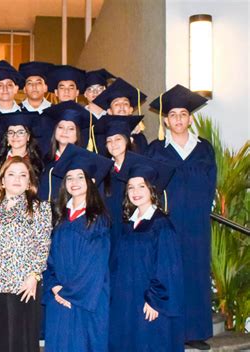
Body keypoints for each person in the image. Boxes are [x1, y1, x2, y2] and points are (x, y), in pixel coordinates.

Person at [147, 84, 215, 350]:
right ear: (165, 119)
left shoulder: (204, 149)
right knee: (168, 273)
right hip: (167, 223)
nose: (177, 119)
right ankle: (168, 329)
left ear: (190, 118)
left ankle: (195, 331)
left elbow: (210, 183)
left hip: (197, 223)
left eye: (182, 114)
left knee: (196, 273)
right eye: (172, 114)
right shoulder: (155, 150)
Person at [0, 156, 52, 352]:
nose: (17, 179)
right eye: (11, 174)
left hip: (24, 285)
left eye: (22, 175)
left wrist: (34, 276)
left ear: (29, 182)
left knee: (20, 341)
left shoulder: (40, 208)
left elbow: (43, 245)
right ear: (2, 180)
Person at [109, 154, 184, 352]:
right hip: (126, 301)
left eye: (141, 186)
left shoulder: (161, 225)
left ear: (152, 189)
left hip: (148, 302)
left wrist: (155, 300)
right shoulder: (129, 224)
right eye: (131, 187)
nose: (135, 192)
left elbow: (168, 268)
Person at [43, 144, 113, 352]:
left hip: (87, 300)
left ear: (91, 182)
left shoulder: (98, 219)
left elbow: (95, 266)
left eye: (80, 177)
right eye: (70, 178)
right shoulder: (58, 216)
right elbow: (48, 258)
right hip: (59, 296)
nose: (74, 182)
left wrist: (68, 294)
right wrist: (54, 286)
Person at [94, 115, 144, 257]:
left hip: (135, 234)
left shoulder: (140, 169)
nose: (113, 144)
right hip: (110, 235)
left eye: (118, 139)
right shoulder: (103, 171)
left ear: (128, 140)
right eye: (109, 140)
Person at [38, 101, 89, 202]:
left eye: (71, 129)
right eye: (61, 127)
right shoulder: (43, 162)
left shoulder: (86, 164)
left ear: (77, 135)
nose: (65, 132)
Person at [93, 77, 148, 154]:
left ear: (130, 110)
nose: (122, 106)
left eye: (125, 103)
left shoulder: (139, 138)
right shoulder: (101, 138)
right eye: (116, 104)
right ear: (109, 111)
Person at [0, 112, 44, 179]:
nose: (15, 136)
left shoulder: (37, 163)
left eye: (20, 132)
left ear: (28, 136)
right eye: (11, 132)